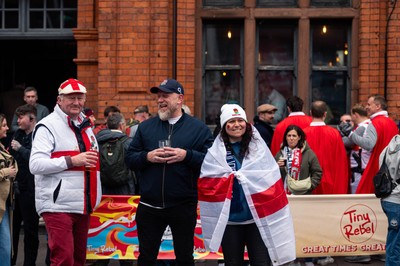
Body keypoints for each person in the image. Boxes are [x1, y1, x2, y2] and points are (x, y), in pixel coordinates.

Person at [125, 78, 214, 266]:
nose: (160, 100)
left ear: (179, 98)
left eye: (165, 95)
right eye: (159, 96)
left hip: (182, 205)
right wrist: (147, 157)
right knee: (146, 258)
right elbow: (129, 159)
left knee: (184, 258)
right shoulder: (146, 127)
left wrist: (187, 155)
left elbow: (212, 162)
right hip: (149, 205)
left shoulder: (198, 128)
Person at [198, 103, 296, 266]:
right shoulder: (215, 153)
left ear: (246, 123)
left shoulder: (259, 149)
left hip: (256, 219)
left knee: (261, 262)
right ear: (224, 126)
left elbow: (270, 176)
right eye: (231, 121)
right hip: (230, 222)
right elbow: (207, 182)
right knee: (232, 263)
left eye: (240, 120)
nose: (236, 124)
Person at [29, 78, 102, 266]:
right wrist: (71, 160)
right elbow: (35, 165)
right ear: (59, 100)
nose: (76, 102)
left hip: (83, 204)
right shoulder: (47, 126)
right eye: (71, 98)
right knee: (64, 259)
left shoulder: (85, 126)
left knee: (78, 259)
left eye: (80, 98)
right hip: (58, 206)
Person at [344, 95, 398, 194]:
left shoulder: (374, 123)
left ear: (378, 106)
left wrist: (350, 134)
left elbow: (368, 144)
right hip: (391, 168)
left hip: (375, 168)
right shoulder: (392, 123)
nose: (366, 107)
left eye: (369, 104)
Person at [8, 104, 40, 266]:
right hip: (16, 189)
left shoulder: (40, 135)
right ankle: (10, 261)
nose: (18, 121)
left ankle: (30, 263)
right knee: (12, 230)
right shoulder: (17, 134)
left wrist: (20, 149)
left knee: (30, 231)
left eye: (21, 118)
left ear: (32, 118)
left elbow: (37, 160)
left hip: (32, 190)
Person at [304, 100, 349, 195]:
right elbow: (341, 162)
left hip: (307, 182)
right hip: (330, 183)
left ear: (311, 113)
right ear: (325, 114)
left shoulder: (302, 134)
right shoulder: (334, 134)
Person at [275, 125, 322, 196]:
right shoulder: (280, 154)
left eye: (294, 136)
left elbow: (317, 173)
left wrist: (309, 186)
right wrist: (277, 167)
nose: (291, 138)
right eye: (289, 135)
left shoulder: (309, 153)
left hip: (302, 194)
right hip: (284, 195)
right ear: (286, 137)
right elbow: (272, 174)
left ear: (299, 137)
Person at [96, 112, 136, 196]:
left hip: (103, 188)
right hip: (125, 188)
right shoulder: (129, 142)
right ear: (121, 125)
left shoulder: (98, 141)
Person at [379, 134, 400, 265]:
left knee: (394, 240)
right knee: (396, 244)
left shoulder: (388, 147)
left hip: (388, 197)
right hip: (397, 199)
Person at [0, 113, 18, 265]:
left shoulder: (1, 147)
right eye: (4, 125)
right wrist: (6, 172)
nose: (7, 128)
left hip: (4, 203)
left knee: (5, 245)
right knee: (5, 246)